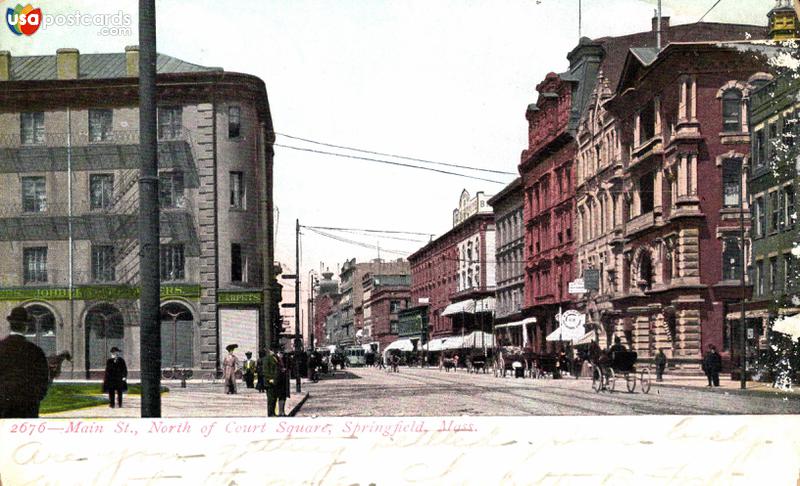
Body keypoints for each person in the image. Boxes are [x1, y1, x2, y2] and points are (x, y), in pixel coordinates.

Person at [0, 306, 50, 418]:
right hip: (28, 409)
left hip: (3, 409)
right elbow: (43, 383)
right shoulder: (36, 351)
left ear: (10, 325)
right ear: (26, 327)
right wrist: (33, 399)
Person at [261, 348, 279, 416]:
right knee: (270, 398)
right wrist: (269, 379)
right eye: (273, 351)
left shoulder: (275, 358)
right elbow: (265, 370)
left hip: (275, 380)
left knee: (274, 398)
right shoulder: (266, 358)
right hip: (269, 382)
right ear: (269, 351)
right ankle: (270, 413)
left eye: (275, 351)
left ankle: (273, 412)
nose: (274, 352)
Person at [275, 351, 290, 416]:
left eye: (282, 353)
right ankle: (280, 411)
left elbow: (289, 366)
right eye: (280, 353)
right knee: (279, 396)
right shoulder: (275, 360)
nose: (281, 355)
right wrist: (281, 370)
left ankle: (282, 411)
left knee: (284, 396)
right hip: (279, 381)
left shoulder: (285, 360)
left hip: (284, 380)